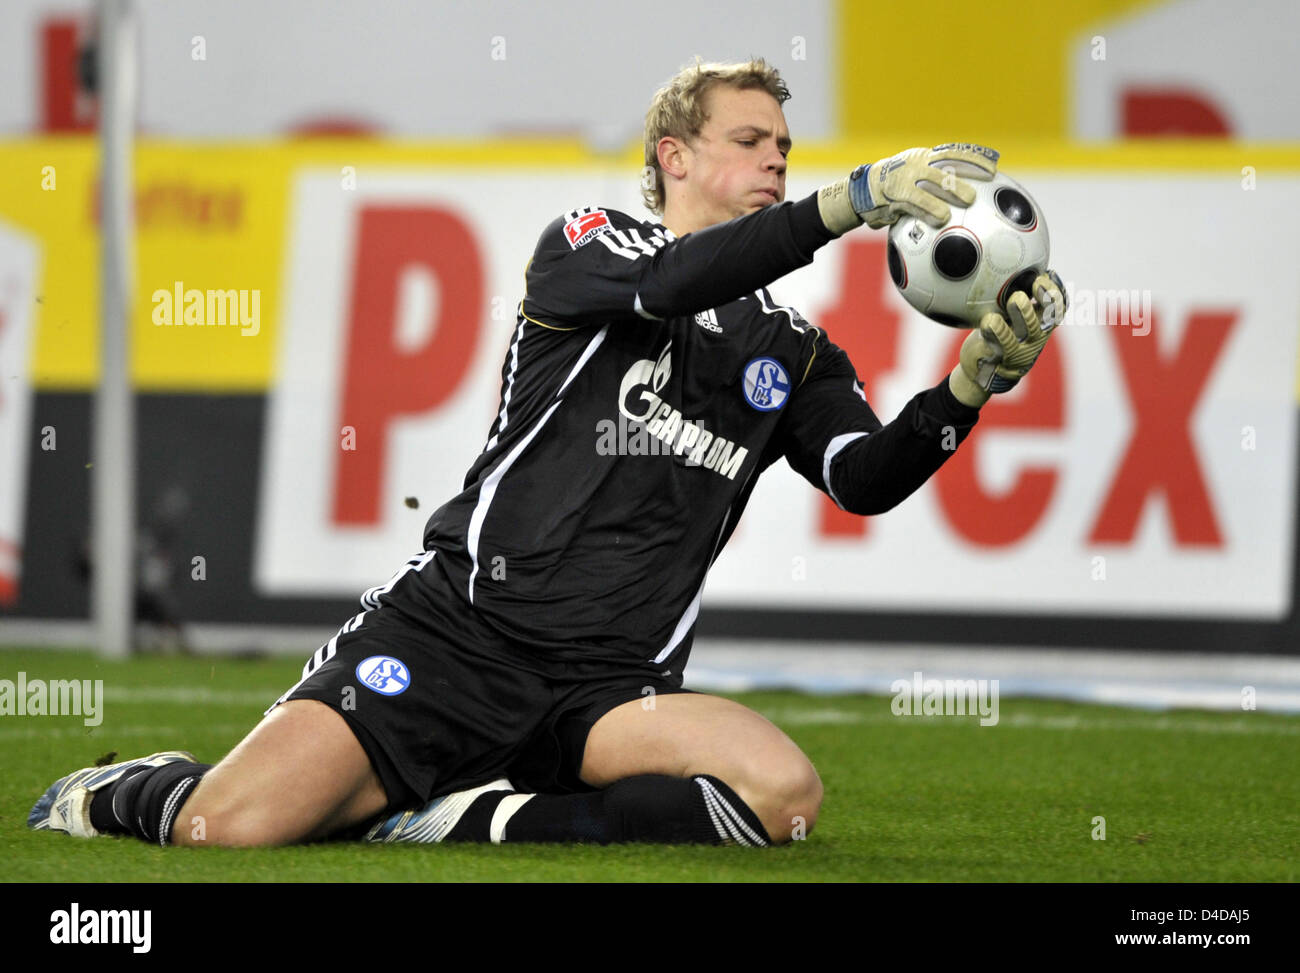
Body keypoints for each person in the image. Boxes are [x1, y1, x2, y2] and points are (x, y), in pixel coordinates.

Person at [30, 57, 1064, 849]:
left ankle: (460, 817)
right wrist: (846, 202)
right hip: (459, 636)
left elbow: (863, 477)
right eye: (752, 142)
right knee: (234, 828)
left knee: (782, 799)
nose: (776, 164)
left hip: (610, 690)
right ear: (675, 156)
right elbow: (671, 287)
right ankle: (120, 787)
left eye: (785, 150)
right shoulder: (588, 245)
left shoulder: (791, 349)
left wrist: (966, 388)